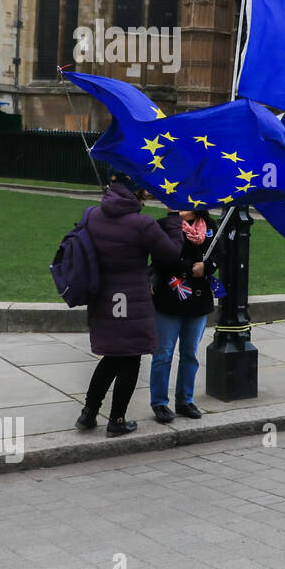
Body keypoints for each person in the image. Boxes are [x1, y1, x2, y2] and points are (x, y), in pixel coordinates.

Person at [77, 173, 184, 436]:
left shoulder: (91, 215)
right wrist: (173, 218)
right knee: (130, 358)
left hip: (103, 298)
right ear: (136, 191)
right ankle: (117, 420)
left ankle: (88, 413)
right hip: (132, 300)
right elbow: (171, 254)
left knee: (112, 356)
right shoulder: (142, 224)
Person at [149, 209, 219, 423]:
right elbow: (160, 259)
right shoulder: (164, 225)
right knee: (163, 354)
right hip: (170, 297)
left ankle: (185, 400)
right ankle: (159, 402)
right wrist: (190, 269)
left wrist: (207, 266)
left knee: (190, 353)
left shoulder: (210, 226)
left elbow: (220, 255)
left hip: (198, 301)